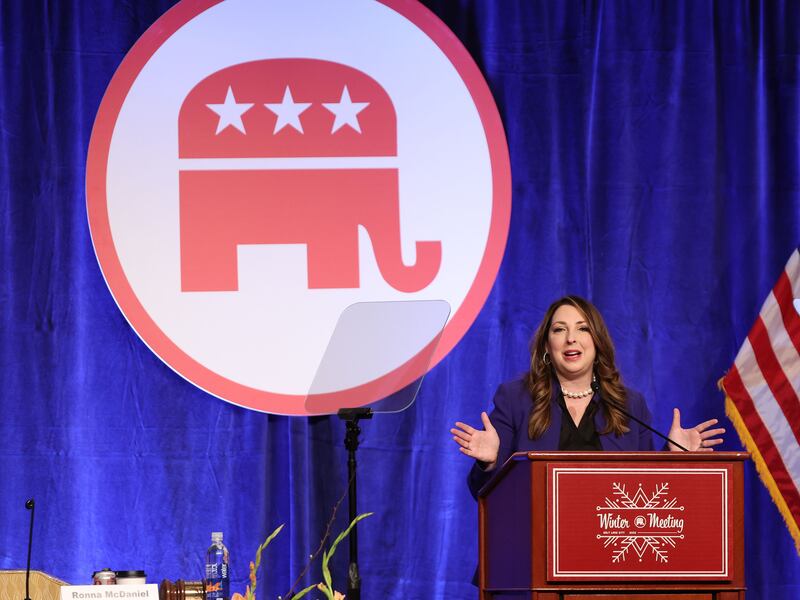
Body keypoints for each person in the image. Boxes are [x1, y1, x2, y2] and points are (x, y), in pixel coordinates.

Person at [451, 295, 725, 497]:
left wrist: (670, 457)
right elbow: (484, 493)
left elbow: (646, 494)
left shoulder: (630, 405)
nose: (571, 338)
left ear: (597, 342)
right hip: (532, 553)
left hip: (610, 555)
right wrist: (488, 463)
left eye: (582, 328)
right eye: (559, 330)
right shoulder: (515, 399)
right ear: (548, 346)